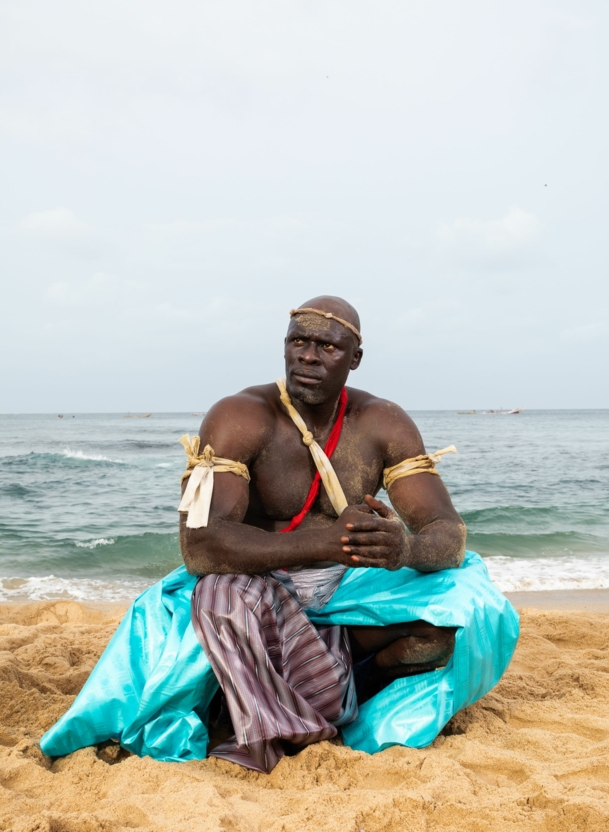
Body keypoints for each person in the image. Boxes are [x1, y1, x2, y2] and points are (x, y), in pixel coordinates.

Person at [41, 297, 519, 773]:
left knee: (467, 612)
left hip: (347, 590)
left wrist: (404, 547)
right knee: (219, 596)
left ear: (354, 359)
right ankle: (276, 730)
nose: (308, 356)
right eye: (298, 342)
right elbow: (200, 548)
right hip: (258, 582)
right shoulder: (241, 416)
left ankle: (338, 691)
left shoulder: (383, 422)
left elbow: (448, 532)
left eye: (327, 347)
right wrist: (326, 542)